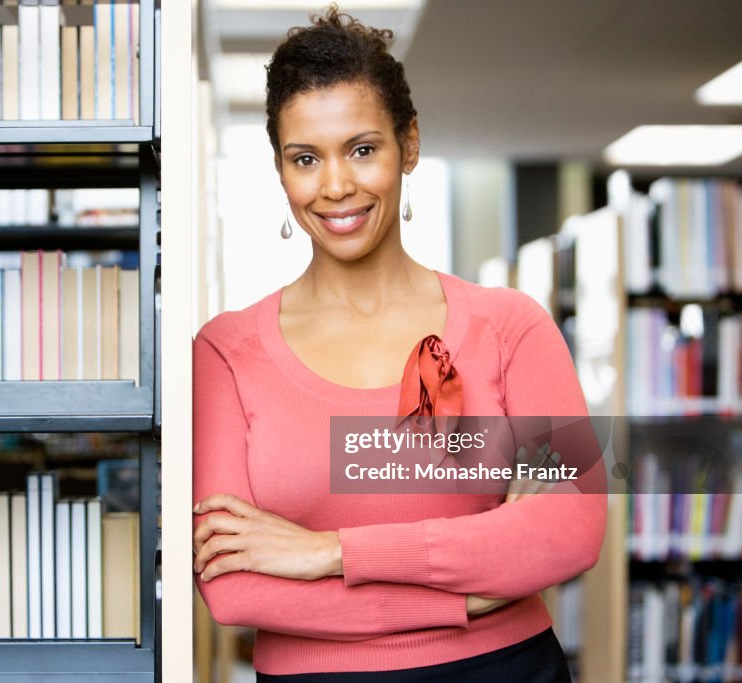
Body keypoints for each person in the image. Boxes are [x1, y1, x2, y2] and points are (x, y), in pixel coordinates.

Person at [191, 6, 607, 682]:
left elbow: (573, 528)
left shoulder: (514, 325)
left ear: (408, 145)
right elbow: (235, 588)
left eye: (362, 148)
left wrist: (329, 552)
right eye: (305, 158)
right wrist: (465, 598)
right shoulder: (224, 353)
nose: (335, 186)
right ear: (280, 169)